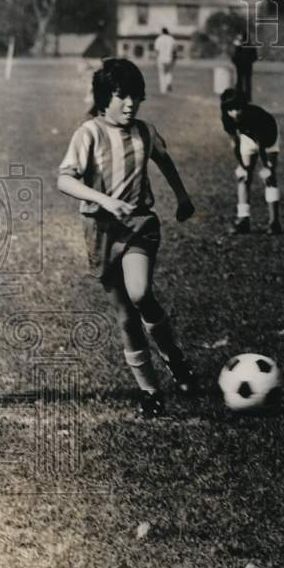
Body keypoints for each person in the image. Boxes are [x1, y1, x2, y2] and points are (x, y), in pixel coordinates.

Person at [57, 58, 198, 418]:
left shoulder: (145, 131)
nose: (130, 104)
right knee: (125, 317)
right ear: (105, 97)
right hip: (101, 231)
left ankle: (174, 359)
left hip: (139, 224)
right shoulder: (87, 133)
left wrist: (182, 197)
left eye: (136, 96)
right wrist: (103, 199)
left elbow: (164, 160)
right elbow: (65, 179)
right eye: (122, 96)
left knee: (140, 293)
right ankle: (150, 392)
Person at [220, 88, 282, 235]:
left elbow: (261, 144)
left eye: (237, 108)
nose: (234, 113)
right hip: (248, 138)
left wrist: (267, 166)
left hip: (268, 136)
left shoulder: (255, 116)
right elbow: (235, 143)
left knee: (269, 177)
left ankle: (274, 223)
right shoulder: (227, 118)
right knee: (243, 177)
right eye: (230, 109)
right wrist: (242, 166)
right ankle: (243, 220)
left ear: (244, 106)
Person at [231, 34, 258, 102]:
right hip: (248, 67)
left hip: (240, 67)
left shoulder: (239, 47)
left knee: (239, 83)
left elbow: (234, 57)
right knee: (247, 83)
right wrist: (249, 62)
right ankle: (248, 98)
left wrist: (236, 63)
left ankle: (238, 97)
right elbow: (255, 57)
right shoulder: (252, 47)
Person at [154, 27, 177, 94]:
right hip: (169, 58)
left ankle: (163, 90)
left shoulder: (158, 39)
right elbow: (174, 50)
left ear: (162, 32)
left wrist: (156, 58)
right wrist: (174, 59)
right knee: (168, 72)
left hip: (161, 58)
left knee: (161, 74)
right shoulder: (171, 39)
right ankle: (168, 82)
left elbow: (157, 50)